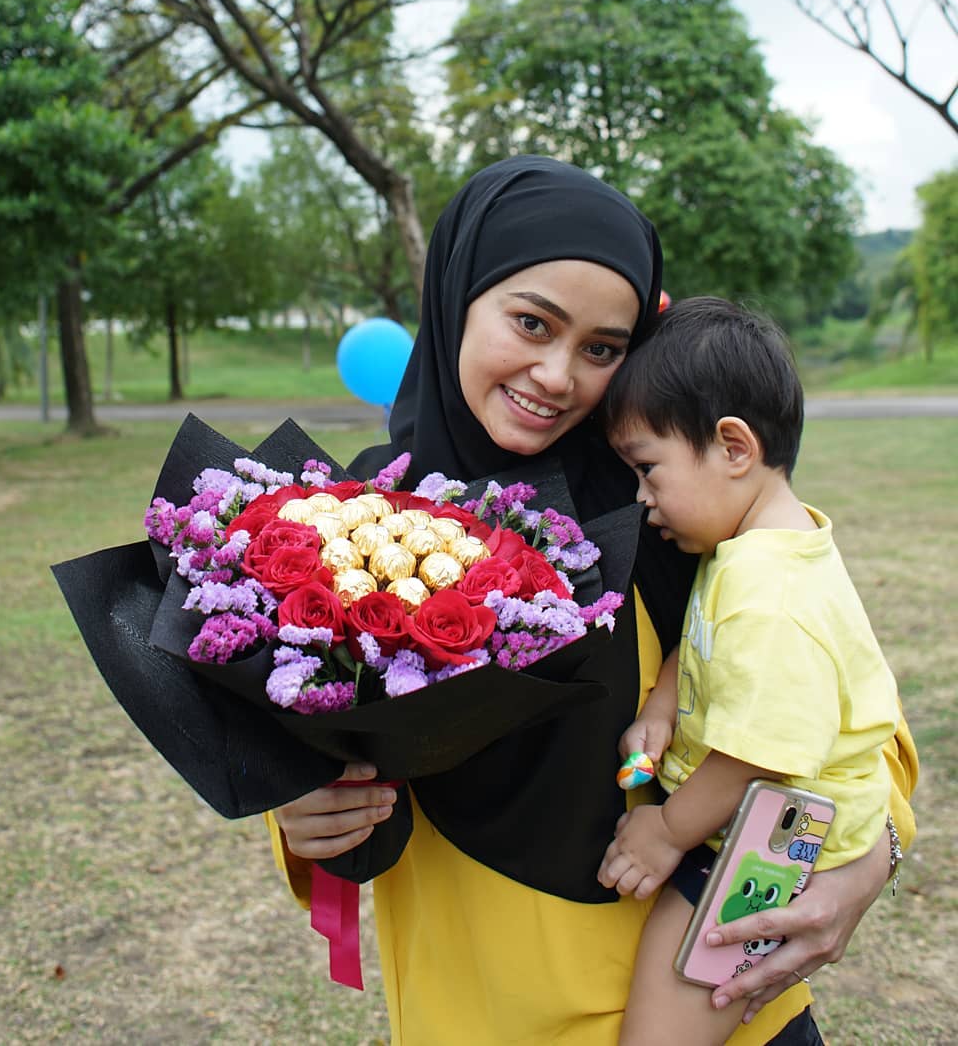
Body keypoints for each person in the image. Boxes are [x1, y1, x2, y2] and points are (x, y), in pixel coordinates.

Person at [268, 156, 917, 1045]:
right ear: (457, 296)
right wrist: (299, 809)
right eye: (531, 322)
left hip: (719, 1004)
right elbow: (317, 765)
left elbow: (848, 711)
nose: (557, 375)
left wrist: (869, 860)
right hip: (491, 1009)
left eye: (602, 348)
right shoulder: (348, 535)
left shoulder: (672, 499)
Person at [595, 296, 900, 1045]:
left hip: (770, 847)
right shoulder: (753, 549)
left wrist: (665, 831)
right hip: (747, 820)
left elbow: (757, 754)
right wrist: (665, 703)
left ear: (734, 447)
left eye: (647, 468)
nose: (641, 498)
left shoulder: (769, 596)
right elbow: (700, 639)